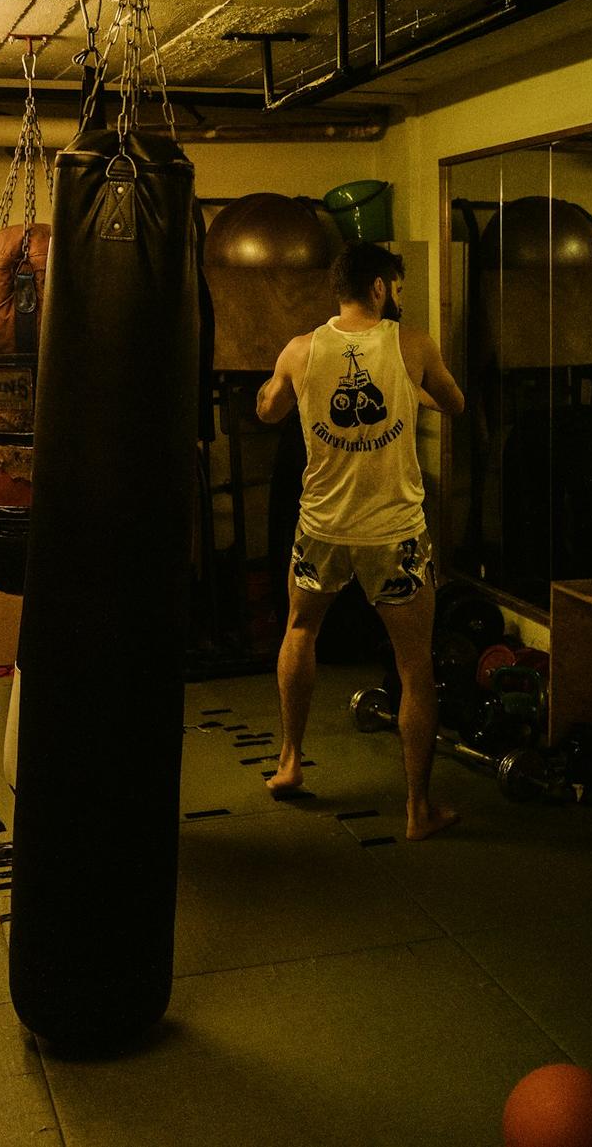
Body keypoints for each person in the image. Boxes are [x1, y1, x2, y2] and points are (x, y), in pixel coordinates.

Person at [256, 240, 465, 840]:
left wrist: (280, 391)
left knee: (301, 629)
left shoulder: (300, 351)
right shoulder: (413, 343)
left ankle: (291, 760)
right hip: (393, 532)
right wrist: (414, 387)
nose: (398, 299)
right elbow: (455, 403)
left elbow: (269, 411)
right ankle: (417, 810)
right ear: (378, 287)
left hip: (321, 527)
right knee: (414, 665)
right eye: (396, 289)